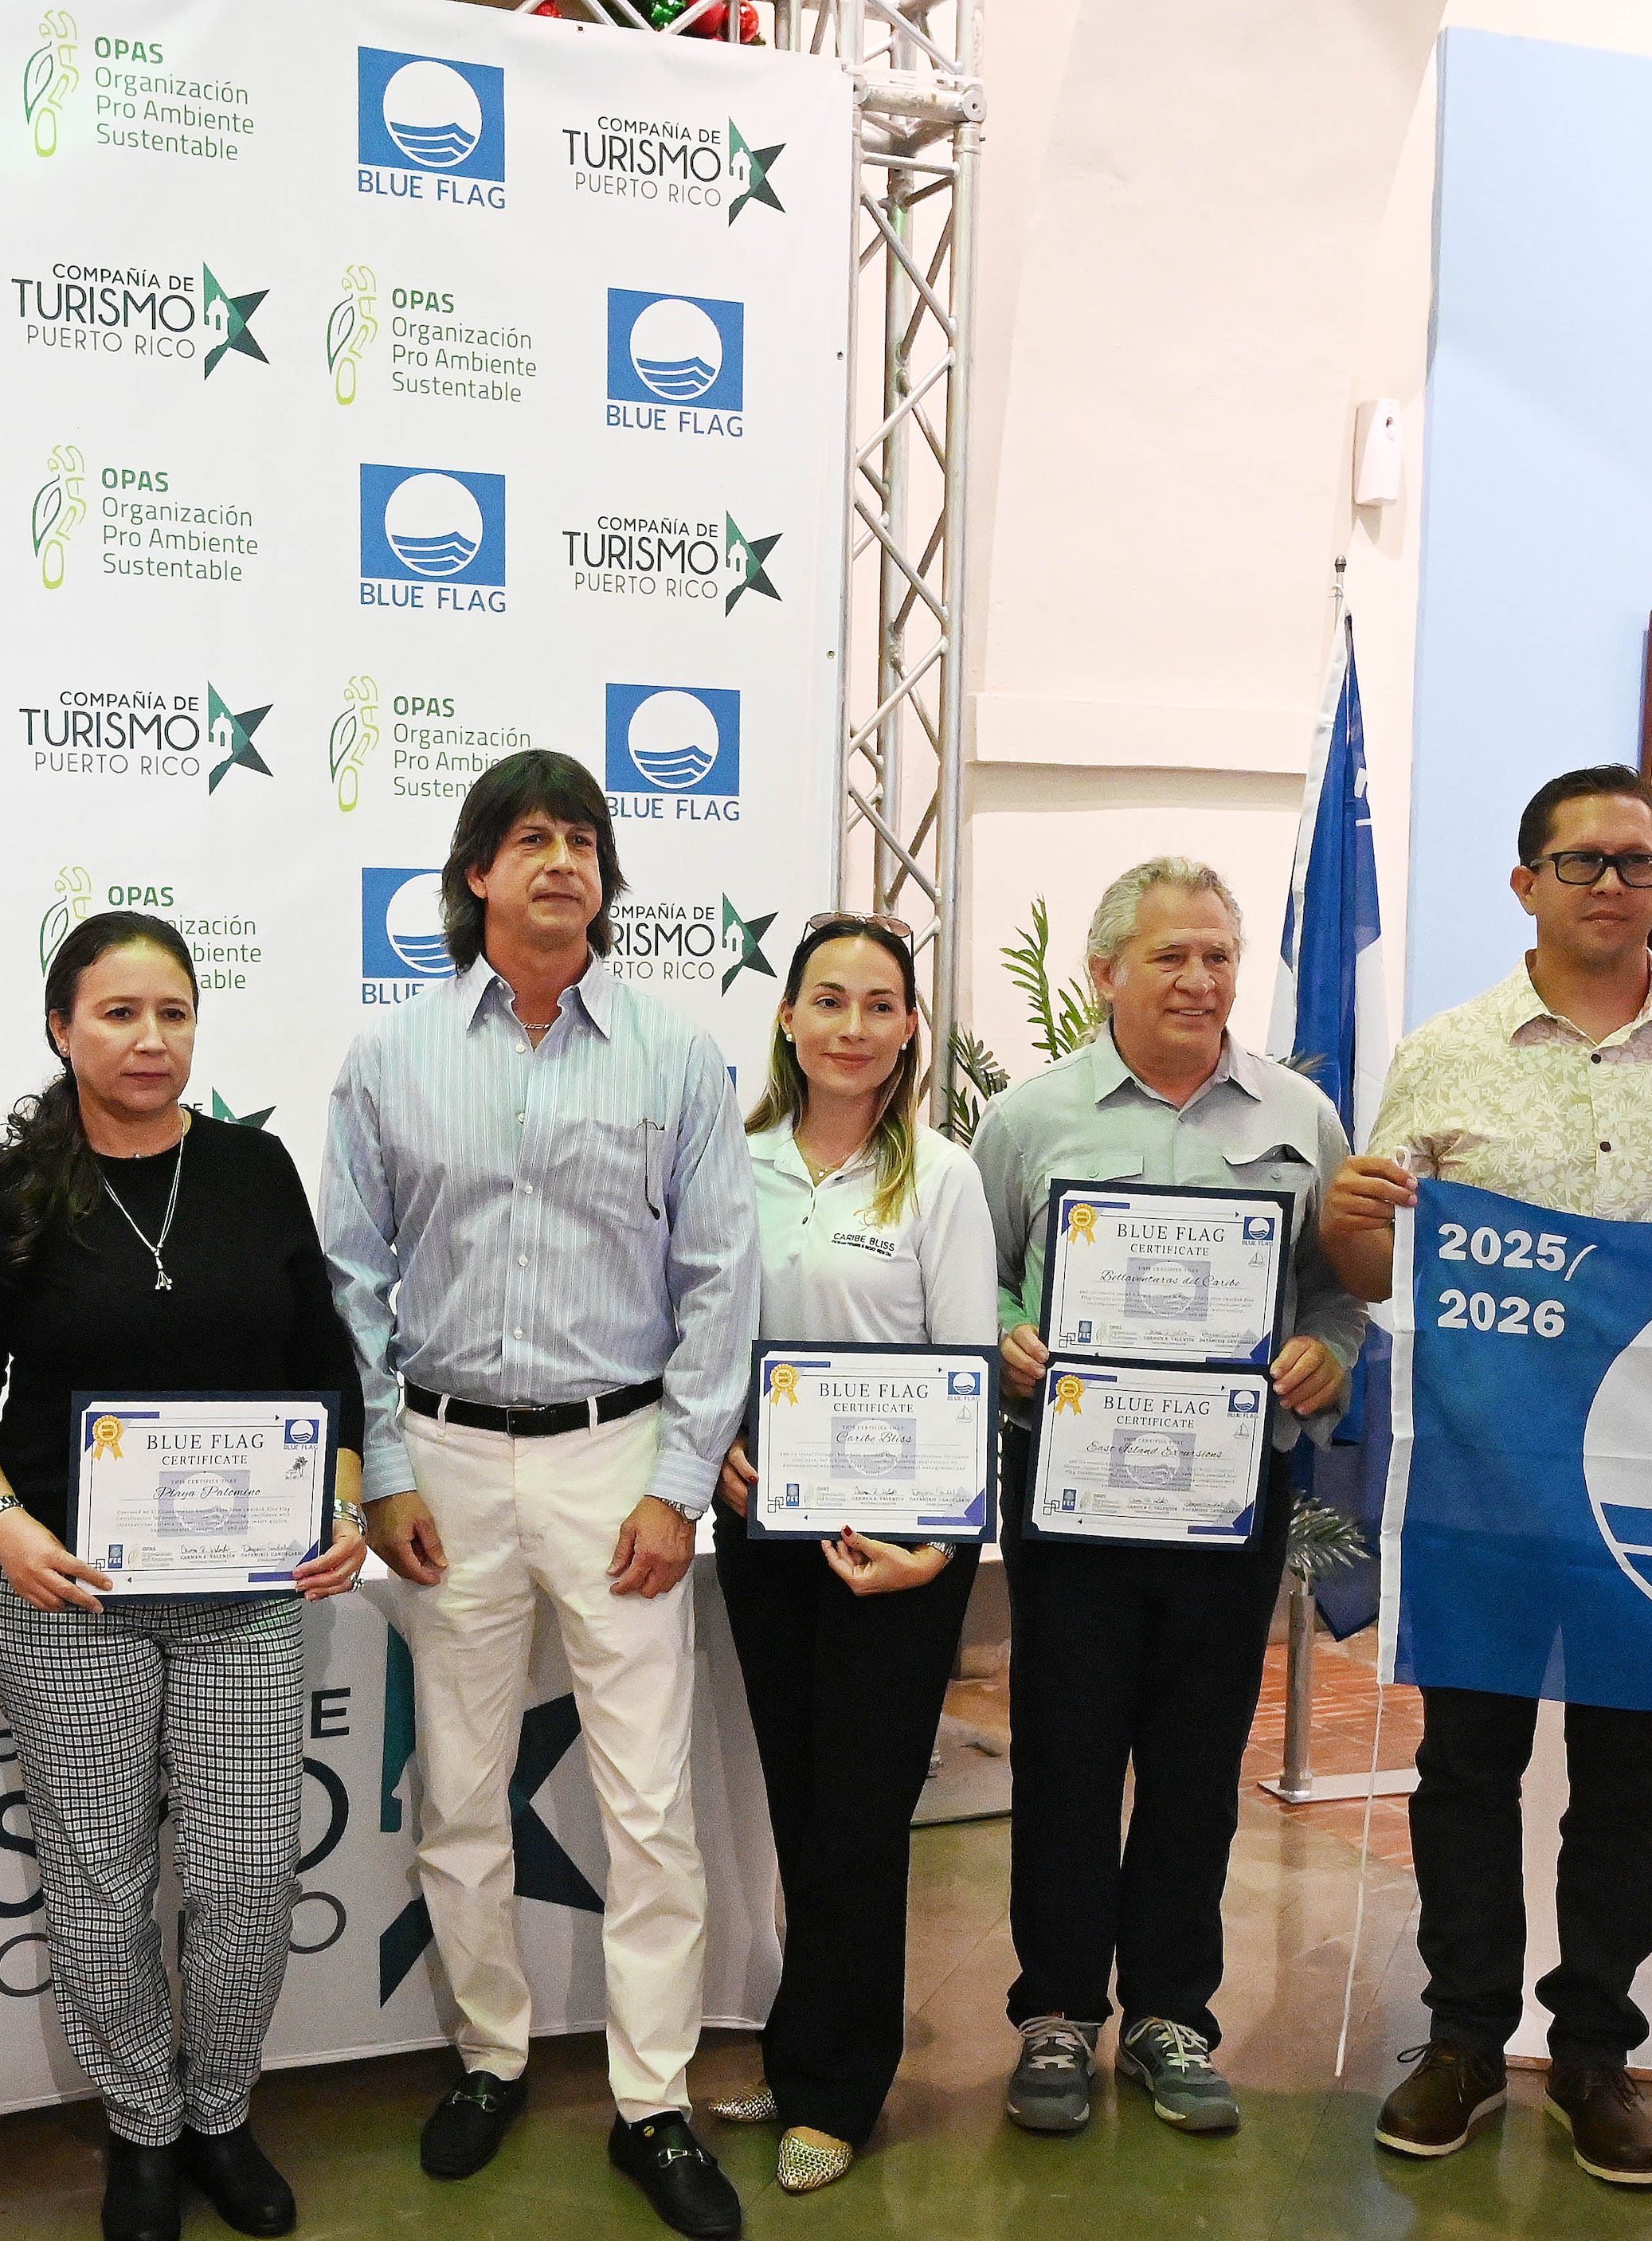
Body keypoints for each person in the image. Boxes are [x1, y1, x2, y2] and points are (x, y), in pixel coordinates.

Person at [1323, 763, 1652, 2189]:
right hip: (1486, 1483)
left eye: (1639, 861)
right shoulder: (1444, 1054)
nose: (1612, 883)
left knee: (1629, 1784)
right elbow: (1380, 1281)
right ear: (1525, 882)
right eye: (1582, 860)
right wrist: (1351, 1225)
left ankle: (1597, 2050)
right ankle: (1465, 2038)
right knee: (1464, 1769)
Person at [322, 750, 759, 2239]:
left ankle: (654, 2100)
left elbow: (718, 1285)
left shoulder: (671, 1055)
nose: (561, 860)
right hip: (443, 1463)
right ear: (474, 877)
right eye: (530, 837)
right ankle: (492, 2053)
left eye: (583, 837)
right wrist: (381, 1468)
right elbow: (352, 1279)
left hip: (616, 1459)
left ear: (605, 878)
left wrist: (680, 1481)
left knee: (647, 1802)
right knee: (459, 1783)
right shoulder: (388, 1059)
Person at [0, 910, 373, 2241]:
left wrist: (342, 1492)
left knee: (245, 1871)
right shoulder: (8, 1192)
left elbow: (322, 1363)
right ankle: (141, 2130)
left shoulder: (253, 1169)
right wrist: (2, 1525)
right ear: (61, 1027)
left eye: (172, 1012)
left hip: (243, 1594)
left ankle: (221, 2108)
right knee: (101, 1869)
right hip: (70, 1592)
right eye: (119, 1013)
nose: (150, 1039)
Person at [969, 856, 1369, 2141]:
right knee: (1068, 1756)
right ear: (1105, 975)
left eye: (1219, 955)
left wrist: (1329, 1357)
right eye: (1171, 957)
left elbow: (1335, 1289)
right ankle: (1055, 2014)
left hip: (1227, 1495)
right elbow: (966, 1279)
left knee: (1198, 1764)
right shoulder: (1032, 1120)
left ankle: (1171, 2016)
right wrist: (1007, 1335)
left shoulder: (1302, 1117)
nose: (1201, 981)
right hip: (1073, 1491)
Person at [689, 915, 998, 2193]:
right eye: (830, 1000)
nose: (854, 1026)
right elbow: (696, 1338)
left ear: (911, 1028)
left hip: (896, 1552)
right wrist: (710, 1453)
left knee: (865, 1819)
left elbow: (973, 1367)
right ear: (787, 1018)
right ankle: (801, 2040)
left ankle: (844, 2088)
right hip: (767, 1532)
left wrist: (936, 1549)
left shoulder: (939, 1176)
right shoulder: (733, 1162)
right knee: (801, 1802)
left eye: (881, 1004)